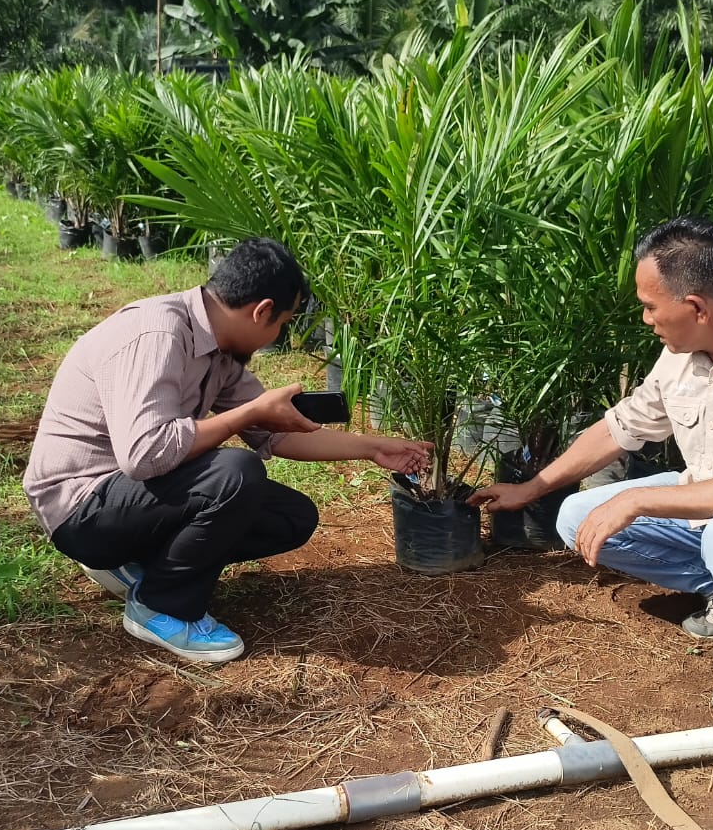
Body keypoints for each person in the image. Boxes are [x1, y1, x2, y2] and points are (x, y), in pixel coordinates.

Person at [469, 216, 713, 718]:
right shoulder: (681, 354)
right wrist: (532, 487)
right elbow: (621, 426)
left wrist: (636, 498)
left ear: (695, 307)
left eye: (650, 306)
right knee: (576, 517)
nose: (646, 319)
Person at [24, 237, 430, 663]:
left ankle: (138, 565)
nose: (277, 335)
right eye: (282, 323)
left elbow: (278, 434)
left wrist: (372, 448)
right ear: (262, 311)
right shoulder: (156, 334)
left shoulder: (219, 353)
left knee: (289, 517)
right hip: (82, 506)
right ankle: (161, 606)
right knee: (236, 472)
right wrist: (245, 415)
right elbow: (144, 454)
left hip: (131, 496)